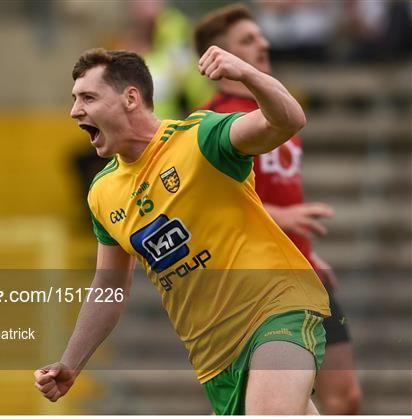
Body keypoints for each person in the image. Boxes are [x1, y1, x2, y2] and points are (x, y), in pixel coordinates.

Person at [34, 46, 330, 415]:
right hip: (215, 357)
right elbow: (109, 285)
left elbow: (287, 121)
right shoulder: (102, 193)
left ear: (130, 98)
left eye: (88, 97)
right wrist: (72, 362)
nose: (74, 110)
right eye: (74, 99)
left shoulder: (200, 138)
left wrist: (248, 74)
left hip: (277, 308)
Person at [194, 4, 362, 414]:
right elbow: (207, 207)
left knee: (345, 398)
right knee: (295, 403)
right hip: (259, 283)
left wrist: (307, 248)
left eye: (260, 36)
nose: (263, 43)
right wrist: (281, 218)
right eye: (247, 41)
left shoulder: (278, 115)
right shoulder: (214, 124)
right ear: (221, 56)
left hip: (299, 265)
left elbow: (275, 194)